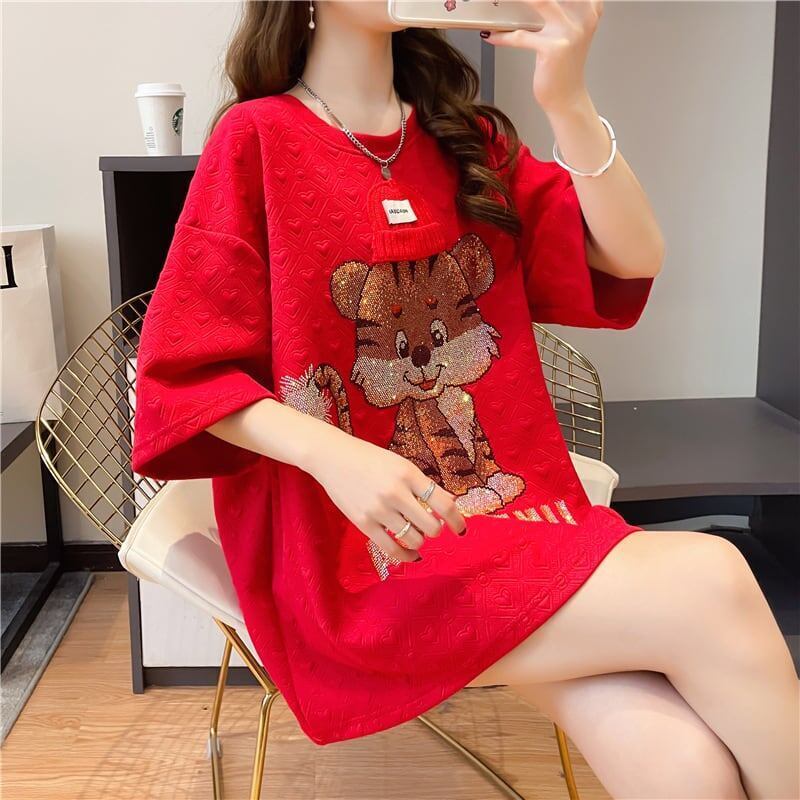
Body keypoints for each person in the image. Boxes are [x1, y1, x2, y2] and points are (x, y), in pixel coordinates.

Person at [130, 1, 799, 797]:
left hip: (520, 521)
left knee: (683, 765)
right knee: (711, 579)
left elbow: (633, 256)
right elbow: (182, 376)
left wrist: (567, 97)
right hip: (358, 563)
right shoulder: (257, 138)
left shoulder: (464, 139)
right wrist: (334, 454)